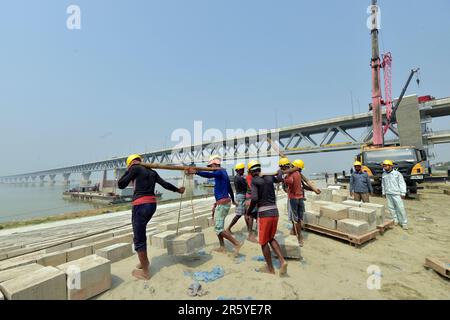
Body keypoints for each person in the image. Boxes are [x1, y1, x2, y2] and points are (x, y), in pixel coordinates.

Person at [118, 154, 185, 280]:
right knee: (141, 232)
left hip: (140, 205)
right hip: (152, 205)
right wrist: (178, 190)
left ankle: (145, 272)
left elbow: (120, 184)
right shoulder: (152, 171)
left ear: (130, 163)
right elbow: (165, 184)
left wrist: (128, 170)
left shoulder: (134, 168)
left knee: (139, 238)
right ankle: (145, 262)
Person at [187, 155, 242, 255]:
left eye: (211, 166)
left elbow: (209, 175)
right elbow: (229, 188)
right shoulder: (223, 173)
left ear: (215, 163)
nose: (210, 168)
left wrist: (196, 172)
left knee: (219, 229)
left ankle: (236, 243)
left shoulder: (219, 171)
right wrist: (233, 200)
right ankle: (222, 246)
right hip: (224, 202)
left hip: (223, 203)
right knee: (218, 227)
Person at [246, 160, 288, 276]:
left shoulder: (254, 181)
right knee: (271, 238)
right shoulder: (269, 177)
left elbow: (254, 198)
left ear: (250, 171)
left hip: (265, 214)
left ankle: (270, 269)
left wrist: (249, 211)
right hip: (275, 212)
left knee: (263, 242)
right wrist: (279, 171)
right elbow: (279, 178)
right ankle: (282, 261)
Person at [382, 160, 408, 230]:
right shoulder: (384, 174)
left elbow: (402, 183)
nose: (384, 167)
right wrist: (383, 192)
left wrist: (403, 193)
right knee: (391, 208)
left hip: (396, 193)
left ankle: (404, 223)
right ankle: (395, 220)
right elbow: (383, 184)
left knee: (400, 208)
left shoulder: (397, 173)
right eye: (384, 166)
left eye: (386, 165)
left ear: (390, 166)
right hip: (388, 193)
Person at [226, 163, 247, 234]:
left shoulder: (236, 177)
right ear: (238, 170)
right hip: (241, 196)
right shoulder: (240, 178)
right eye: (242, 169)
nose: (243, 171)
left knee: (246, 213)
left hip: (239, 195)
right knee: (239, 214)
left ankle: (249, 228)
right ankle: (228, 228)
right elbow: (245, 187)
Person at [244, 161, 259, 243]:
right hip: (250, 198)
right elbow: (252, 187)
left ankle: (252, 231)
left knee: (253, 215)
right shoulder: (249, 177)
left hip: (252, 197)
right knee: (251, 216)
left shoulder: (252, 177)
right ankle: (250, 234)